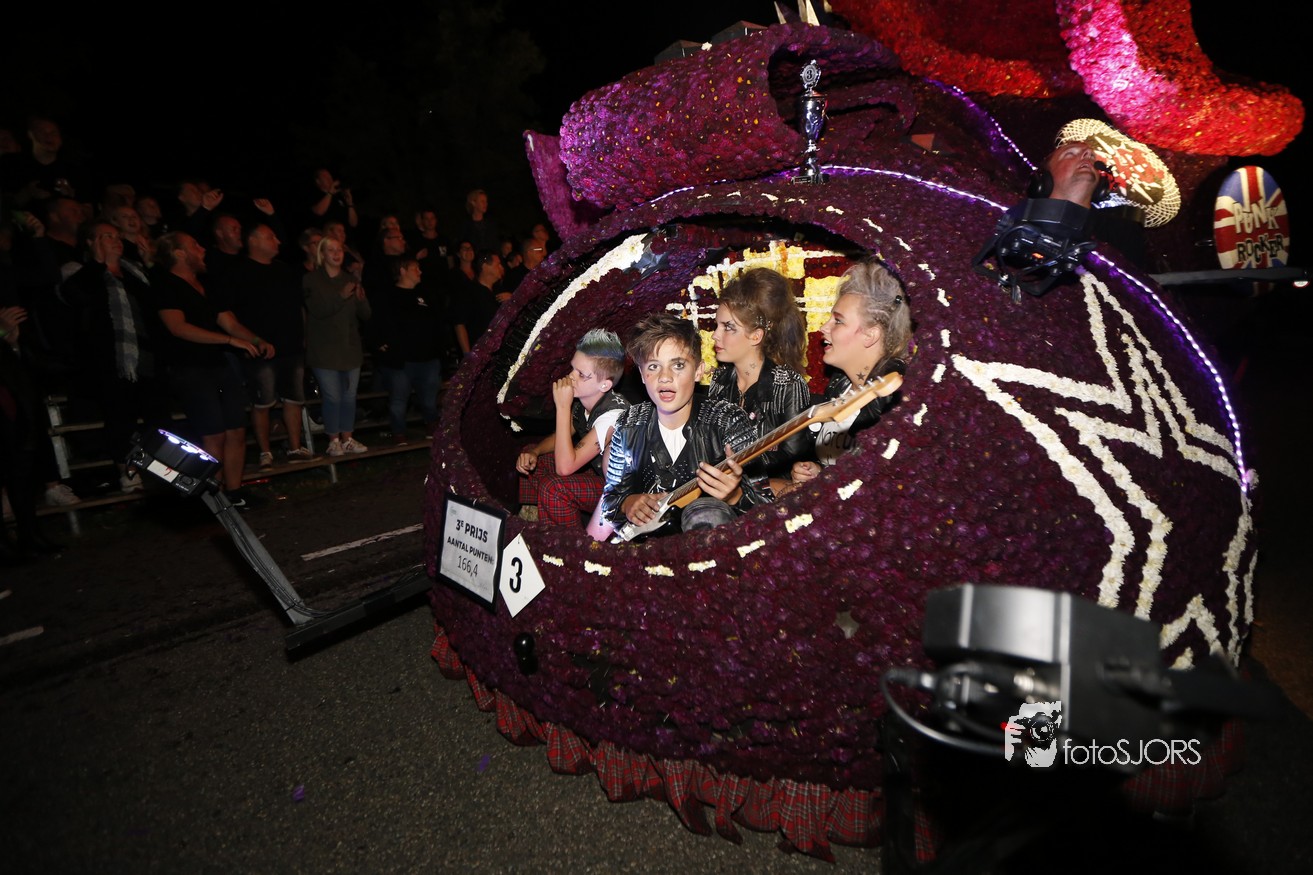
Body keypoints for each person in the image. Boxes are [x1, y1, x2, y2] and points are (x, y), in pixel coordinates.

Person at [596, 312, 768, 540]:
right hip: (649, 551)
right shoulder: (629, 424)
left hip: (715, 552)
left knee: (706, 512)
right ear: (642, 375)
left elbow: (768, 507)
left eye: (677, 365)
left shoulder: (728, 420)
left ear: (698, 371)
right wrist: (628, 503)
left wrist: (735, 496)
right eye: (653, 366)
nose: (665, 377)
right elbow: (610, 501)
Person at [153, 232, 270, 505]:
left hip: (218, 365)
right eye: (195, 245)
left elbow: (229, 322)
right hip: (189, 368)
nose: (202, 249)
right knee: (213, 434)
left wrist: (256, 340)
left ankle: (234, 494)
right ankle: (213, 499)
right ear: (179, 253)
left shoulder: (205, 285)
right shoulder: (165, 285)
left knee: (236, 429)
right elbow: (177, 327)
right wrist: (228, 341)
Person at [61, 220, 172, 492]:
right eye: (106, 236)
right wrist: (99, 263)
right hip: (112, 361)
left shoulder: (134, 271)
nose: (115, 240)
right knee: (121, 419)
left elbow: (160, 300)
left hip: (147, 357)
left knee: (159, 417)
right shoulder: (79, 271)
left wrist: (150, 263)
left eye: (116, 235)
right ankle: (128, 474)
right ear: (90, 242)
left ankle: (166, 474)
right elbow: (74, 296)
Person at [788, 258, 912, 491]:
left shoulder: (892, 404)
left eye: (838, 321)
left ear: (870, 335)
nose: (823, 328)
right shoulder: (840, 385)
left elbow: (884, 488)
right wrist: (818, 473)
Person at [706, 268, 811, 497]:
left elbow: (796, 462)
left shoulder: (787, 385)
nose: (715, 335)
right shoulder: (719, 381)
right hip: (723, 495)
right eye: (717, 325)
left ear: (756, 336)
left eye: (728, 327)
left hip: (775, 500)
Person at [221, 223, 314, 469]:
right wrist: (252, 340)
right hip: (260, 350)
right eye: (271, 237)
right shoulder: (238, 272)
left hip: (292, 346)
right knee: (262, 402)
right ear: (253, 240)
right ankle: (265, 451)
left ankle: (295, 446)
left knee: (294, 399)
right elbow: (230, 315)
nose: (277, 241)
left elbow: (299, 307)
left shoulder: (285, 270)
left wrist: (303, 335)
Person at [516, 329, 629, 527]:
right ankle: (533, 518)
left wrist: (562, 406)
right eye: (572, 369)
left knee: (554, 488)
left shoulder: (613, 415)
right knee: (532, 456)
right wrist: (535, 451)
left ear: (604, 385)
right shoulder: (585, 400)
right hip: (596, 473)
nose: (571, 377)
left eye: (581, 374)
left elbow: (565, 468)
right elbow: (563, 435)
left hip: (621, 493)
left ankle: (570, 542)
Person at [303, 236, 371, 456]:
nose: (336, 253)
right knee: (332, 396)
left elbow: (366, 315)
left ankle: (347, 438)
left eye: (339, 249)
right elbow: (317, 310)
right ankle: (333, 440)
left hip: (349, 349)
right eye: (331, 250)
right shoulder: (311, 280)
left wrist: (361, 299)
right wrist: (340, 296)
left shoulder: (350, 279)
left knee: (349, 397)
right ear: (322, 254)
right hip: (324, 350)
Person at [369, 257, 445, 444]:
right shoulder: (387, 296)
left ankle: (431, 425)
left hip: (428, 358)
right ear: (402, 271)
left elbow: (437, 322)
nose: (420, 271)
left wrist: (440, 349)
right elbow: (375, 324)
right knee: (398, 399)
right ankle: (399, 433)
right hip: (400, 361)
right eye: (415, 268)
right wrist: (381, 345)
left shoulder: (426, 294)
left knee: (429, 399)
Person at [452, 250, 505, 357]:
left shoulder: (499, 291)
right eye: (497, 264)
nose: (501, 268)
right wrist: (467, 354)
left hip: (500, 351)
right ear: (485, 267)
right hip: (480, 352)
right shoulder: (469, 291)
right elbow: (459, 324)